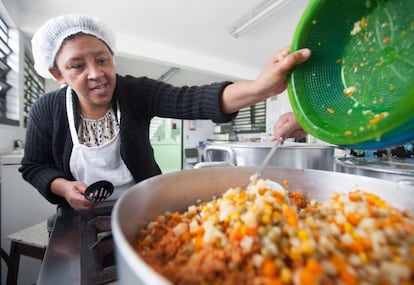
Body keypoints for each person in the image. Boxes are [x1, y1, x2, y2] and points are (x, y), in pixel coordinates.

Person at [19, 13, 311, 211]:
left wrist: (260, 87)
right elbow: (34, 166)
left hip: (142, 207)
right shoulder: (47, 110)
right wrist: (63, 188)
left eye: (102, 59)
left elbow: (192, 99)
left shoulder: (134, 92)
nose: (96, 74)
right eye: (78, 66)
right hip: (78, 218)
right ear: (58, 73)